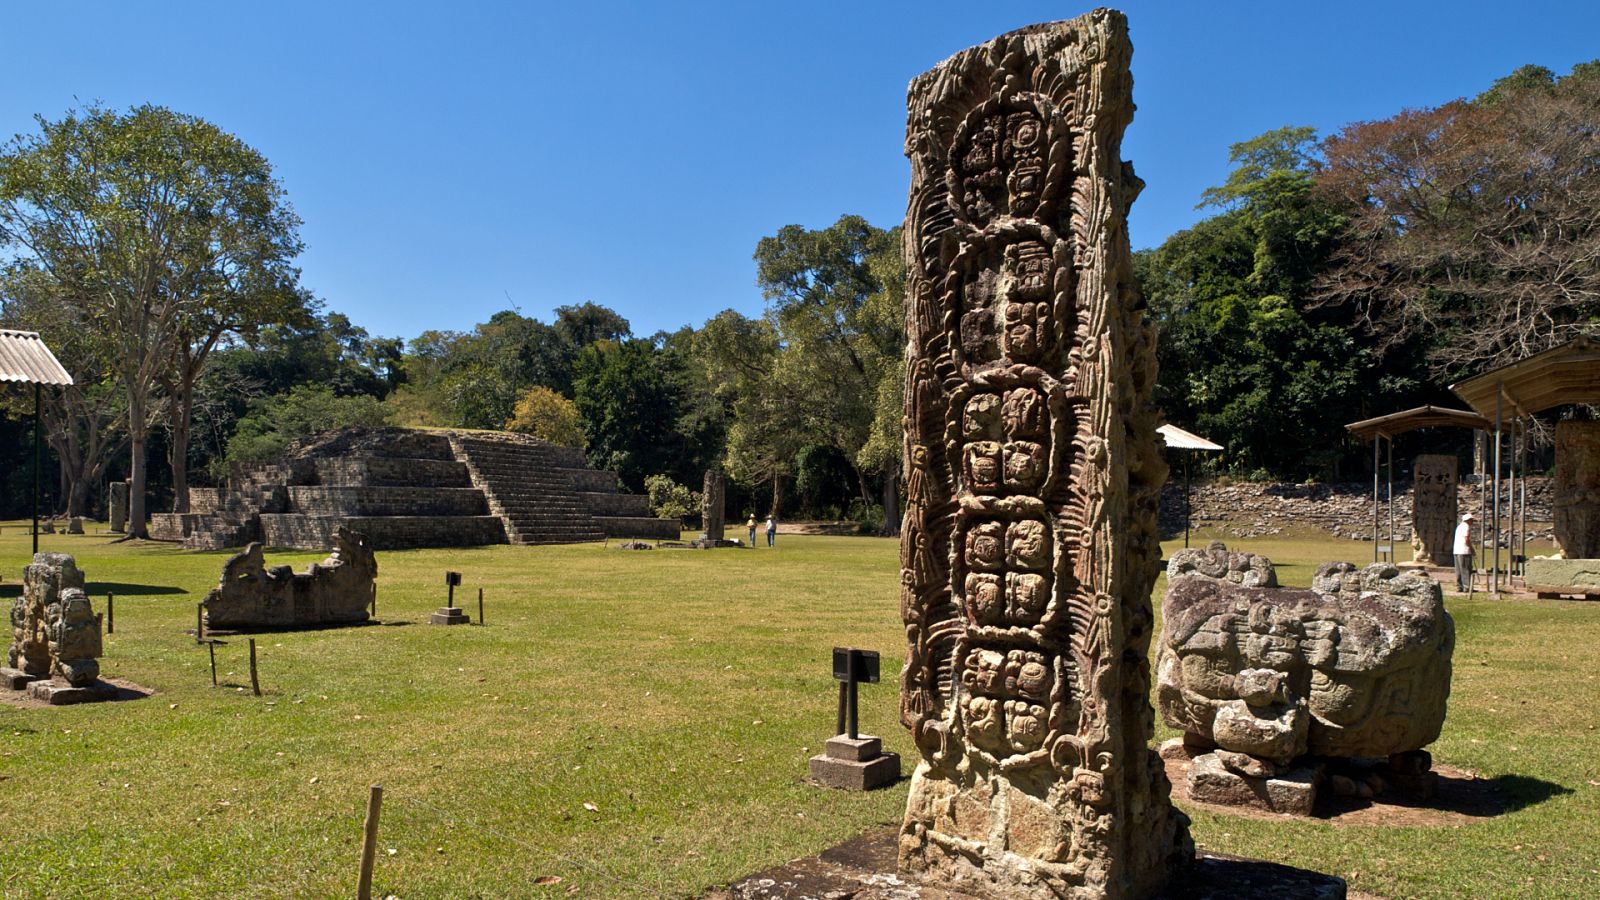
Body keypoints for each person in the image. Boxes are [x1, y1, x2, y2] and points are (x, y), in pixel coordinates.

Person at [1453, 512, 1475, 593]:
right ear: (1468, 520)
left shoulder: (1459, 527)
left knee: (1458, 570)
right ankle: (1467, 587)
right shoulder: (1466, 527)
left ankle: (1459, 586)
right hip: (1464, 551)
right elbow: (1467, 539)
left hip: (1457, 550)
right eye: (1472, 520)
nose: (1472, 522)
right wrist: (1471, 549)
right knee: (1466, 569)